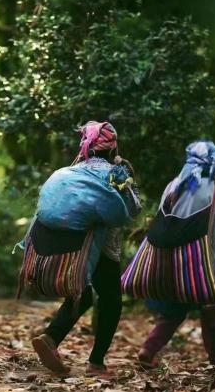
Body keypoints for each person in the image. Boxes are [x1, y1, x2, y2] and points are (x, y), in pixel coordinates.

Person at [30, 121, 141, 375]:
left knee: (83, 293)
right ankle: (96, 362)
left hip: (69, 244)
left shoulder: (69, 172)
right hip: (100, 247)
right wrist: (128, 175)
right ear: (112, 148)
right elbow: (133, 210)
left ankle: (50, 338)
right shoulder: (115, 173)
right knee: (111, 300)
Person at [137, 141, 215, 368]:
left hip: (171, 259)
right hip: (203, 259)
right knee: (211, 307)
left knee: (174, 308)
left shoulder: (174, 185)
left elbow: (163, 217)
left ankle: (148, 349)